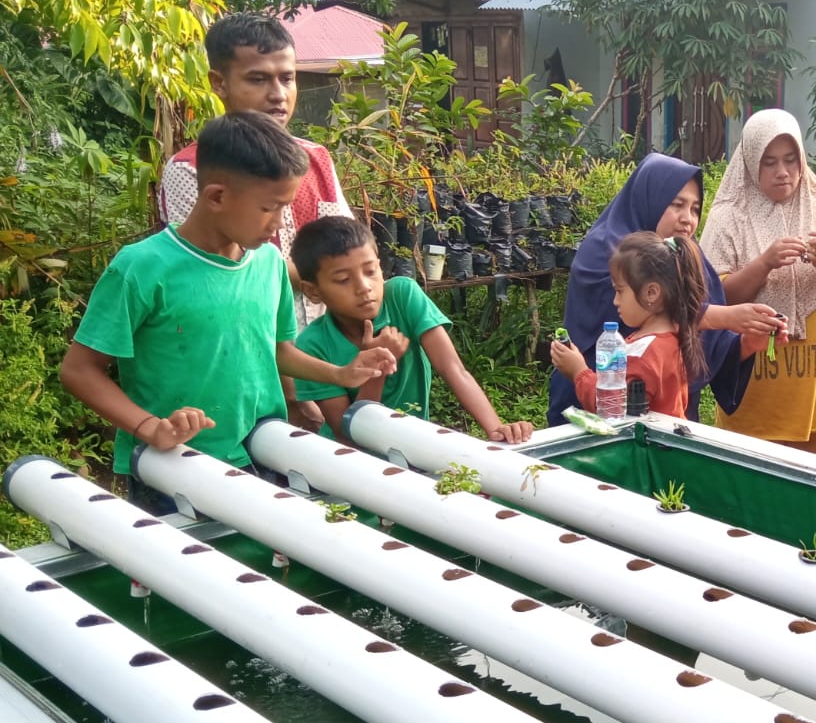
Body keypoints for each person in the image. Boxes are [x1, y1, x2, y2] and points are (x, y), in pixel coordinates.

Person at [60, 114, 394, 508]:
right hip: (173, 466)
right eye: (270, 208)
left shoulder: (269, 263)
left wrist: (341, 373)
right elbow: (79, 370)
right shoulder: (142, 268)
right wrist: (150, 427)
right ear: (216, 197)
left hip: (263, 452)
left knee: (264, 565)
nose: (278, 224)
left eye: (284, 208)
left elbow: (278, 351)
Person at [546, 152, 781, 426]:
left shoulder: (684, 256)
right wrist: (724, 316)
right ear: (650, 198)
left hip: (666, 420)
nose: (688, 219)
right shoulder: (609, 251)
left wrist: (746, 342)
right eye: (677, 205)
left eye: (694, 209)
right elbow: (631, 312)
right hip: (593, 406)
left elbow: (708, 346)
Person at [159, 13, 354, 328]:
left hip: (326, 343)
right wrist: (333, 274)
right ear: (219, 83)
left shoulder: (316, 158)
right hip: (244, 340)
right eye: (258, 79)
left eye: (287, 78)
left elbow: (349, 247)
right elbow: (214, 267)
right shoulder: (192, 169)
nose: (278, 94)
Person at [287, 216, 534, 443]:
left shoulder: (402, 297)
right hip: (355, 462)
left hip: (414, 444)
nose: (364, 287)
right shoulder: (312, 345)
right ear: (313, 291)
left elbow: (453, 369)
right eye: (343, 280)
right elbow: (348, 434)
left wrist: (495, 429)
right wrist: (377, 369)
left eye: (371, 271)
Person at [701, 109, 816, 456]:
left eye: (791, 160)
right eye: (769, 162)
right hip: (752, 396)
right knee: (749, 496)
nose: (783, 172)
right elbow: (713, 299)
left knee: (813, 502)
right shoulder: (729, 216)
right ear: (750, 161)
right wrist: (763, 264)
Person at [549, 232, 714, 419]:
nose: (615, 301)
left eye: (620, 291)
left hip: (646, 446)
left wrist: (578, 371)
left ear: (651, 293)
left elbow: (614, 411)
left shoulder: (642, 354)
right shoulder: (673, 338)